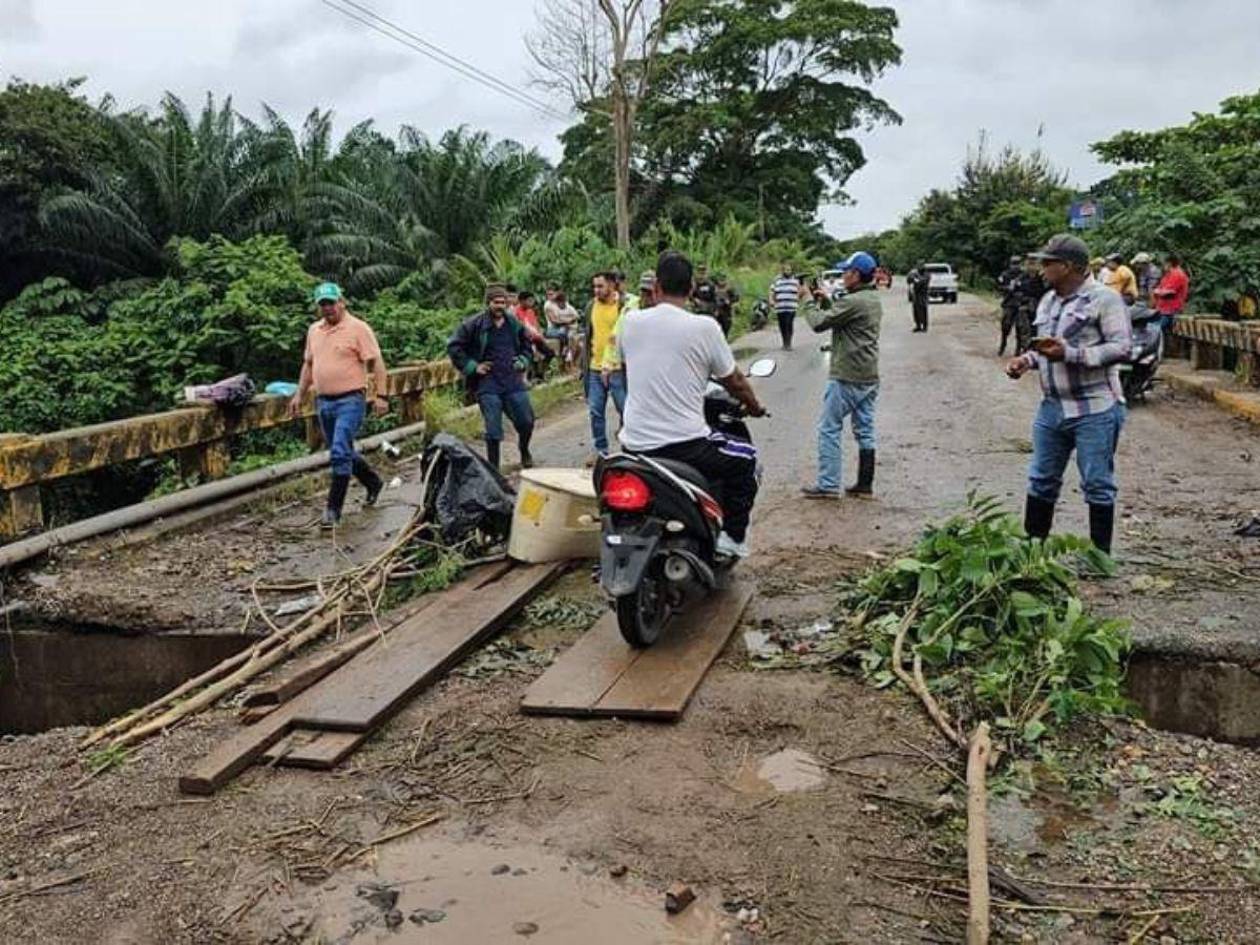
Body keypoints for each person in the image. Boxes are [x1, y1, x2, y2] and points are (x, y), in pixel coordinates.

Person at [616, 251, 767, 558]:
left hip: (633, 444)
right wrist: (754, 406)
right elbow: (734, 381)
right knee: (747, 459)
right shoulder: (705, 327)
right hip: (685, 445)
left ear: (656, 287)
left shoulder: (629, 322)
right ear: (692, 290)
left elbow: (629, 367)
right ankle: (733, 538)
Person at [1005, 234, 1131, 556]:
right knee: (1041, 479)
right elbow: (1047, 347)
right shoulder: (1048, 301)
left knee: (1097, 484)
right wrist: (1026, 360)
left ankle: (1100, 558)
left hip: (1095, 408)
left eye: (1048, 263)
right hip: (1052, 408)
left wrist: (1073, 355)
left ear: (1069, 266)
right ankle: (1032, 555)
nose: (1042, 268)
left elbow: (1122, 348)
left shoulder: (1105, 300)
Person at [288, 282, 388, 529]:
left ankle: (333, 510)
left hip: (351, 399)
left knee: (340, 452)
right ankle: (373, 482)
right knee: (341, 450)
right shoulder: (314, 331)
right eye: (323, 304)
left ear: (341, 302)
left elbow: (377, 363)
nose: (328, 308)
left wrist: (381, 395)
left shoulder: (358, 328)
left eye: (331, 303)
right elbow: (309, 365)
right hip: (324, 401)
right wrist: (299, 394)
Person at [800, 251, 883, 500]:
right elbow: (842, 319)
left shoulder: (853, 301)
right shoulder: (870, 298)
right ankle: (864, 484)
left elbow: (818, 324)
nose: (843, 276)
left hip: (847, 375)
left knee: (829, 428)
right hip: (868, 374)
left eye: (846, 271)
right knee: (865, 430)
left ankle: (828, 484)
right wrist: (825, 301)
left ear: (856, 275)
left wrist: (806, 300)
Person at [447, 284, 536, 471]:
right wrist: (472, 366)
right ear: (488, 303)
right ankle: (493, 468)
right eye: (496, 302)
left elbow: (527, 345)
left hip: (512, 380)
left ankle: (524, 449)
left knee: (526, 421)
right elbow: (454, 346)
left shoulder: (513, 324)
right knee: (493, 430)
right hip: (488, 383)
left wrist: (522, 360)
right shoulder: (473, 324)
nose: (500, 306)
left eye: (503, 302)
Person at [582, 270, 626, 463]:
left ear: (612, 285)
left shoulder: (624, 306)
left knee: (625, 409)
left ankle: (629, 448)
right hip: (595, 367)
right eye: (594, 286)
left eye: (600, 286)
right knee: (595, 410)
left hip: (618, 368)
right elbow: (588, 335)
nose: (596, 290)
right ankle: (601, 450)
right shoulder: (591, 306)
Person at [1012, 257, 1047, 355]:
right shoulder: (1022, 277)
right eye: (1030, 264)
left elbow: (1046, 291)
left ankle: (1032, 349)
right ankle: (1023, 348)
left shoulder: (1042, 278)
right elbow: (1015, 289)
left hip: (1039, 306)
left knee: (1035, 329)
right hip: (1024, 304)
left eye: (1034, 263)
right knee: (1022, 328)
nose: (1032, 266)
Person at [1152, 252, 1190, 333]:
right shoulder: (1168, 274)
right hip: (1164, 309)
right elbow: (1160, 288)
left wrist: (1157, 291)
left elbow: (1167, 292)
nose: (1163, 266)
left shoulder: (1177, 274)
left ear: (1169, 263)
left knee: (1155, 331)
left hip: (1171, 310)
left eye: (1164, 263)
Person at [769, 262, 800, 349]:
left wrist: (797, 299)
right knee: (782, 325)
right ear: (782, 271)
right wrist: (771, 300)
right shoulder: (777, 280)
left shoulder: (795, 281)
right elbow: (772, 291)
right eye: (786, 270)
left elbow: (800, 291)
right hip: (780, 307)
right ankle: (784, 342)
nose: (788, 271)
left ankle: (789, 343)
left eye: (789, 270)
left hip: (791, 307)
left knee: (789, 324)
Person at [997, 254, 1023, 356]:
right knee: (1005, 325)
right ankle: (1003, 344)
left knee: (1020, 327)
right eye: (1014, 264)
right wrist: (1008, 288)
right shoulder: (1005, 275)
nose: (1015, 266)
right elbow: (999, 286)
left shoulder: (1023, 275)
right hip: (1008, 303)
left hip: (1020, 304)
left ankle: (1018, 349)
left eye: (1017, 264)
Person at [544, 288, 580, 364]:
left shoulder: (567, 306)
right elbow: (555, 321)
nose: (550, 296)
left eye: (552, 294)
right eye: (548, 294)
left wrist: (567, 321)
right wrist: (568, 322)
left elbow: (576, 316)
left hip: (566, 328)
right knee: (563, 332)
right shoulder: (548, 305)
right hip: (554, 329)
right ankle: (566, 349)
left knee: (571, 335)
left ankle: (568, 353)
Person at [908, 261, 930, 332]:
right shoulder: (915, 273)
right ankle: (918, 325)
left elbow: (922, 281)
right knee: (916, 310)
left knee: (923, 310)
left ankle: (924, 326)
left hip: (923, 294)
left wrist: (916, 280)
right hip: (916, 294)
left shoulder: (926, 274)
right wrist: (913, 278)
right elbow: (909, 280)